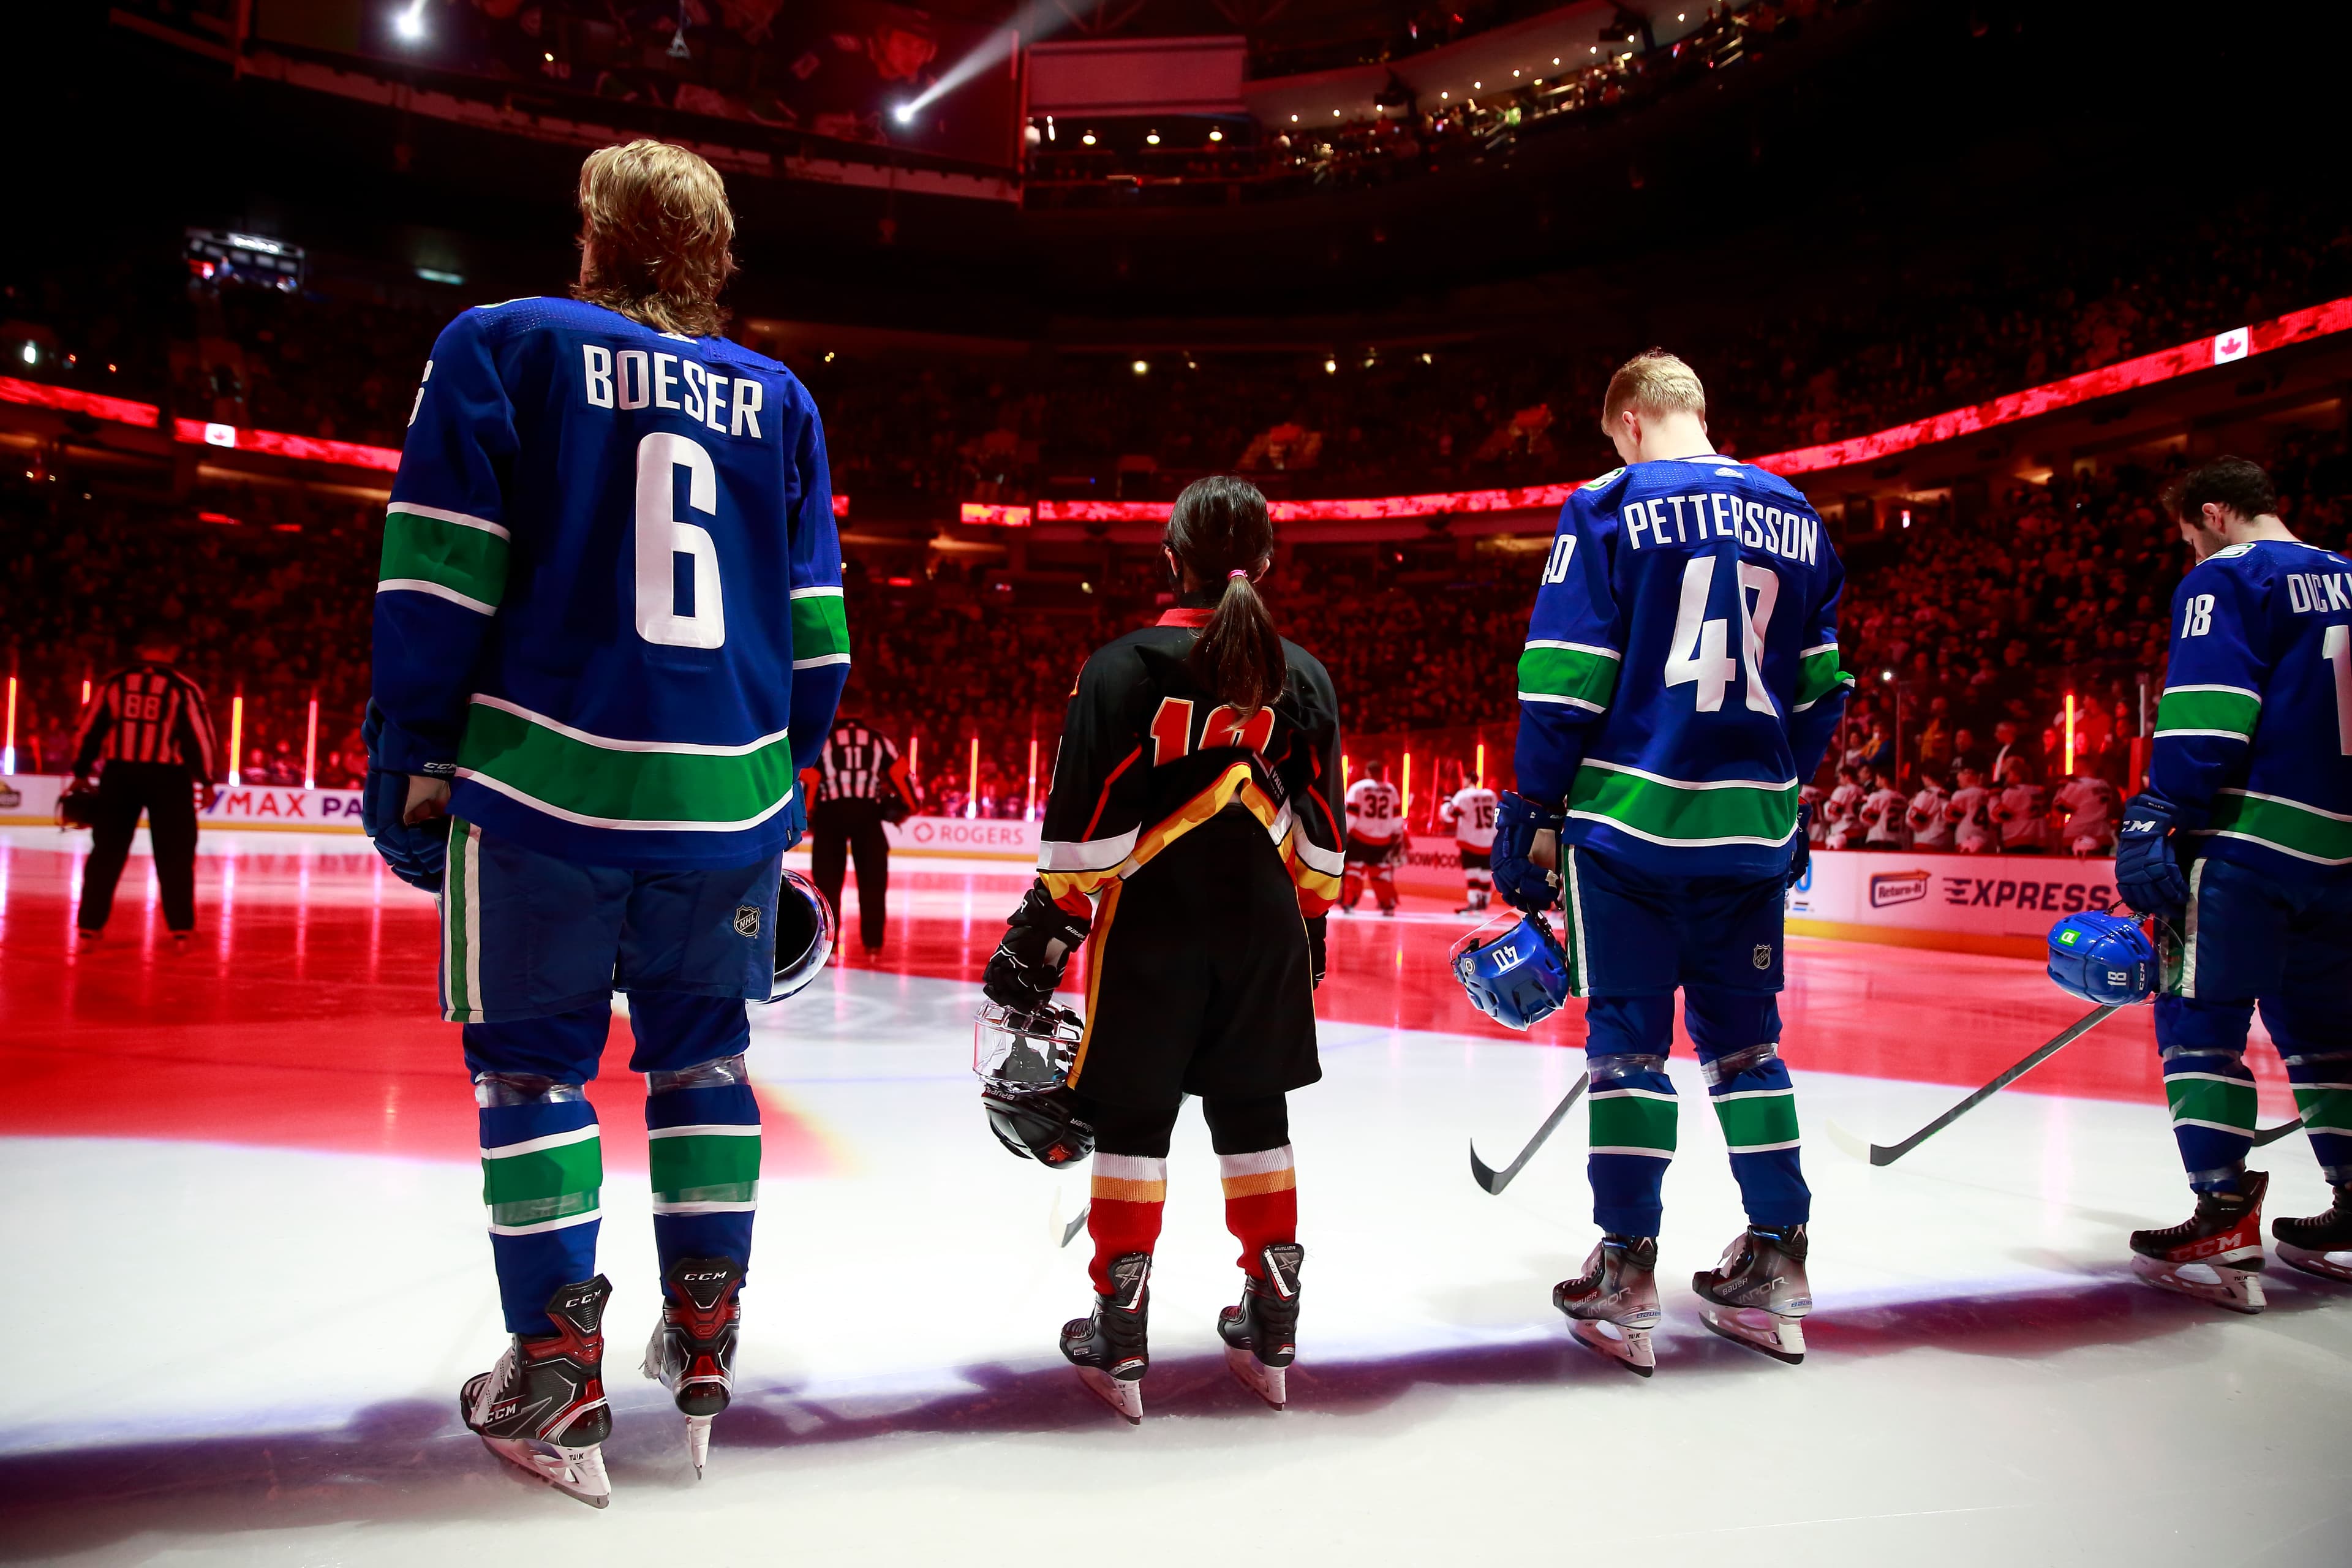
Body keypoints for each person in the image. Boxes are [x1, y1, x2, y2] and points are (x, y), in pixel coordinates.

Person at [362, 141, 846, 1503]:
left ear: (592, 232)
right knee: (705, 1063)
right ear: (713, 248)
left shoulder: (498, 344)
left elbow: (440, 570)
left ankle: (555, 1369)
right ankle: (703, 1346)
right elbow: (818, 639)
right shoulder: (780, 397)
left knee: (535, 1075)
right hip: (729, 798)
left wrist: (414, 746)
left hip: (544, 786)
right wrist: (772, 779)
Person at [1491, 349, 1852, 1371]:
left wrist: (1534, 803)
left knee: (1632, 1052)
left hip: (1630, 823)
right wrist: (1784, 781)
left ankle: (1627, 1268)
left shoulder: (1607, 504)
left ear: (1633, 422)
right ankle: (1778, 1256)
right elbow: (1826, 687)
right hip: (1750, 829)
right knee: (1748, 1049)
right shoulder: (1797, 512)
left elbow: (1566, 674)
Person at [979, 475, 1343, 1420]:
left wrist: (1044, 933)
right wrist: (1307, 933)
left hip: (1153, 922)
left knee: (1134, 1123)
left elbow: (1082, 841)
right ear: (1264, 563)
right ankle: (1275, 1314)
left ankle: (1120, 1323)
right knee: (1253, 1113)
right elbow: (1324, 841)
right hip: (1264, 920)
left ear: (1168, 558)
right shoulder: (1303, 675)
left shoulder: (1123, 665)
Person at [2115, 456, 2352, 1310]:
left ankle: (2222, 1209)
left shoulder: (2229, 577)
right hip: (2343, 852)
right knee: (2327, 1031)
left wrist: (2157, 811)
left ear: (2213, 513)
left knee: (2198, 1018)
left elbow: (2210, 709)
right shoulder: (2349, 577)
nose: (2188, 549)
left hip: (2247, 840)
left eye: (2185, 532)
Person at [68, 639, 218, 943]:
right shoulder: (183, 687)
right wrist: (207, 780)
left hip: (120, 774)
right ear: (173, 649)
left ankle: (90, 923)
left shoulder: (114, 683)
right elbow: (198, 737)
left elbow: (89, 728)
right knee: (175, 853)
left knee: (107, 851)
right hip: (169, 778)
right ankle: (181, 926)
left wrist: (81, 771)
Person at [809, 700, 911, 956]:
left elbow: (809, 777)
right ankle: (873, 944)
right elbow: (901, 775)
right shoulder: (879, 741)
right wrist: (908, 807)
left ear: (840, 710)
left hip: (830, 816)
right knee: (873, 883)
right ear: (864, 711)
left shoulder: (824, 740)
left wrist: (808, 813)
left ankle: (828, 947)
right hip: (868, 816)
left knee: (828, 884)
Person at [1341, 759, 1404, 914]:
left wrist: (1345, 832)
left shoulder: (1358, 788)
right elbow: (1397, 817)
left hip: (1360, 838)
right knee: (1382, 873)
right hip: (1383, 839)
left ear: (1368, 772)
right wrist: (1396, 834)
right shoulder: (1391, 789)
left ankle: (1349, 903)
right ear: (1382, 773)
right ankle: (1388, 905)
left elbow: (1351, 815)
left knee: (1354, 871)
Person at [1438, 767, 1499, 912]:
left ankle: (1473, 901)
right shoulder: (1490, 794)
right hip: (1489, 839)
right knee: (1485, 871)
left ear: (1467, 779)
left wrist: (1447, 799)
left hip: (1470, 840)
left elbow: (1448, 815)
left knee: (1472, 872)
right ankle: (1485, 900)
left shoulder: (1463, 795)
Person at [2051, 771, 2119, 857]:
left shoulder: (2077, 784)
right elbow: (2116, 809)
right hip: (2103, 833)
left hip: (2077, 833)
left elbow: (2059, 808)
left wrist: (2061, 789)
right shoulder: (2105, 785)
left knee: (2074, 868)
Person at [1992, 753, 2050, 853]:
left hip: (2017, 839)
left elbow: (1999, 817)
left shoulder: (2013, 792)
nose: (2006, 779)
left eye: (2008, 774)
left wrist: (1993, 797)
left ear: (2016, 775)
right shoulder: (2037, 791)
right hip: (2039, 838)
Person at [1947, 763, 1999, 853]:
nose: (1958, 781)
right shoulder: (1991, 794)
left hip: (1966, 841)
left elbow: (1951, 818)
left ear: (1968, 776)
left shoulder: (1960, 795)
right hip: (1989, 840)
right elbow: (1997, 820)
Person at [1906, 769, 1954, 850]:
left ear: (1926, 777)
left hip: (1927, 843)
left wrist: (1911, 805)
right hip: (1947, 843)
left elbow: (1913, 821)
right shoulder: (1949, 796)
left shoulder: (1926, 794)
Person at [1861, 767, 1907, 848]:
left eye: (1878, 778)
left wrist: (1864, 807)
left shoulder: (1877, 796)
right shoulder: (1903, 799)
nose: (1876, 781)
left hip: (1878, 840)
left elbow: (1867, 820)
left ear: (1884, 779)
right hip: (1897, 841)